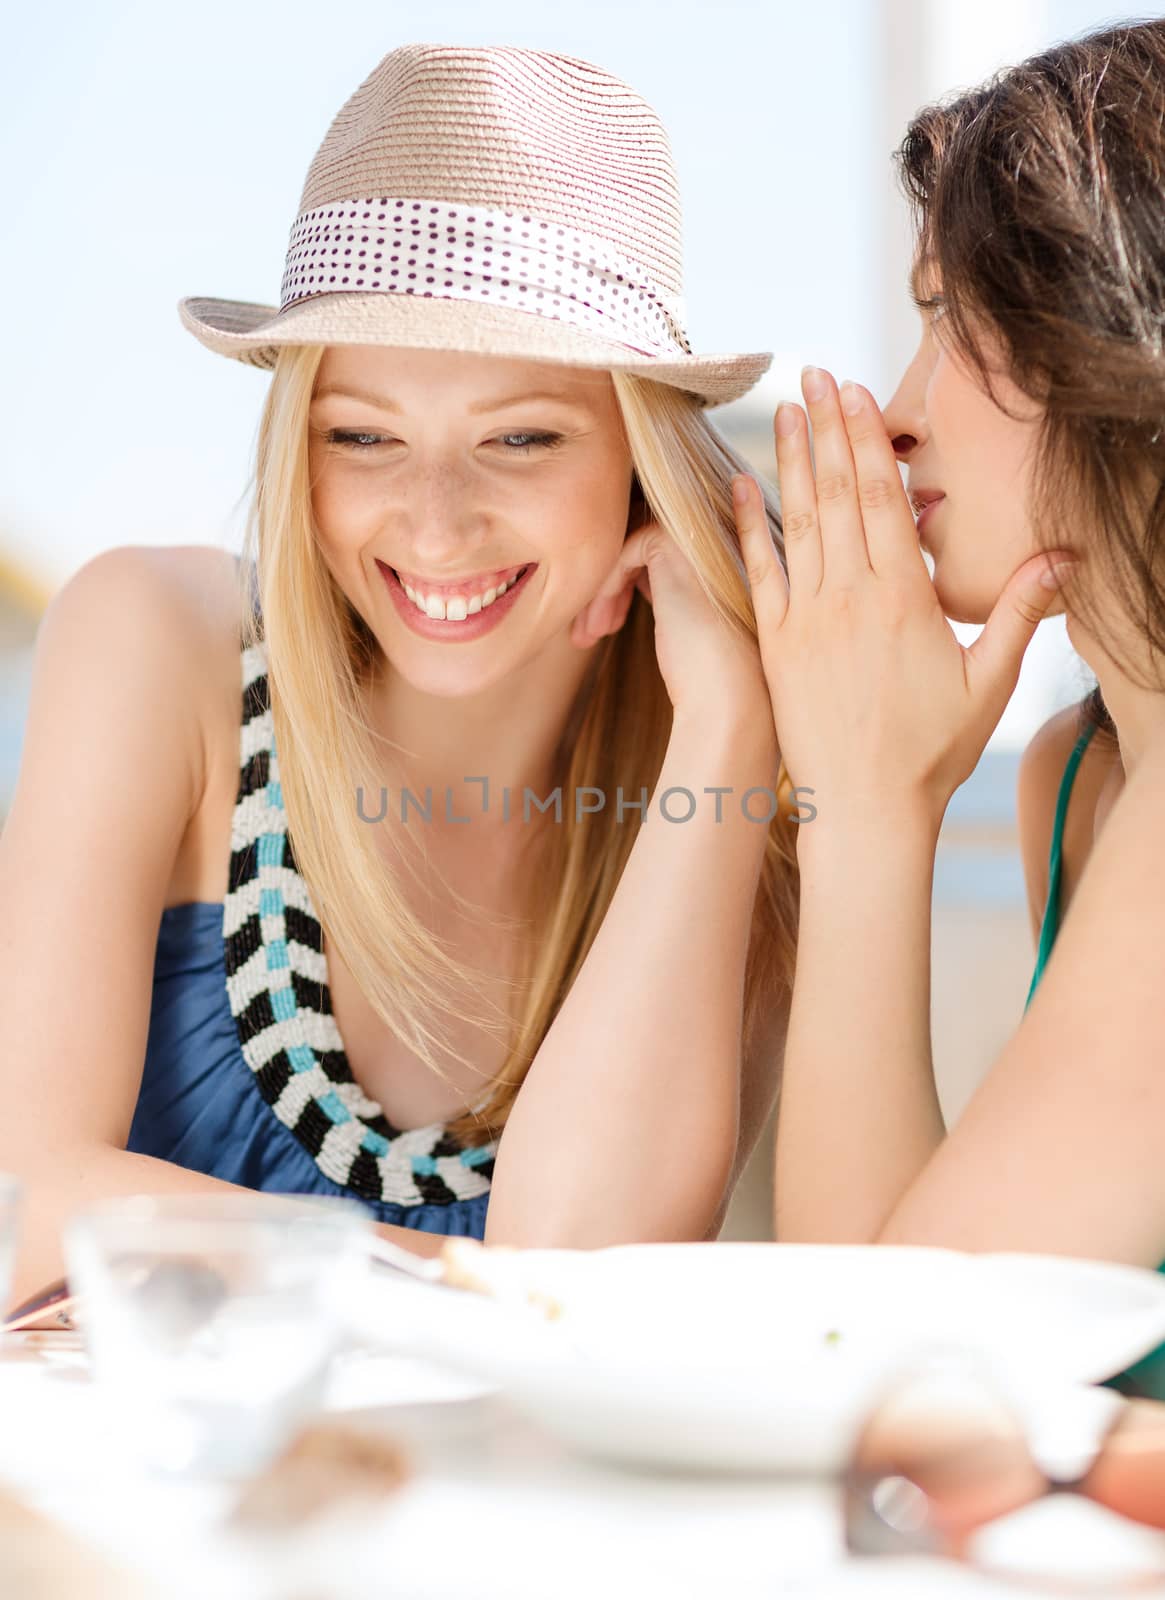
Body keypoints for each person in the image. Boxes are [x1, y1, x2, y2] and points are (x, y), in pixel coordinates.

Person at [0, 43, 799, 1311]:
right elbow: (24, 1199)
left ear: (640, 463)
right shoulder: (157, 643)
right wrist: (457, 1284)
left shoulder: (716, 806)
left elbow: (591, 1284)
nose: (432, 525)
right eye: (362, 437)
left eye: (519, 438)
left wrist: (730, 723)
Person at [736, 19, 1165, 1394]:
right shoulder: (1076, 780)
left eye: (949, 315)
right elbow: (885, 1294)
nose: (899, 412)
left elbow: (898, 1375)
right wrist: (869, 809)